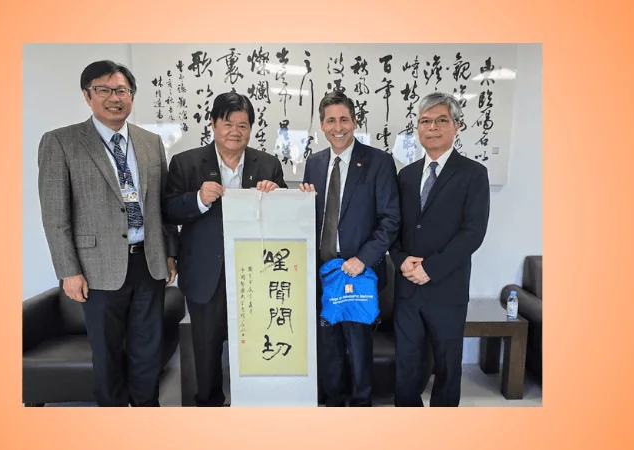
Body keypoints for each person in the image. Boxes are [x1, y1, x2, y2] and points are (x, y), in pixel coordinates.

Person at [37, 60, 178, 407]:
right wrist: (68, 271)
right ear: (88, 96)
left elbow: (160, 204)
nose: (114, 98)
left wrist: (170, 250)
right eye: (104, 90)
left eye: (121, 90)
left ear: (131, 96)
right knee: (107, 353)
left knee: (149, 350)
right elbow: (55, 215)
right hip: (95, 268)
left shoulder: (150, 142)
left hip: (149, 262)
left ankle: (146, 414)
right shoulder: (62, 142)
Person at [164, 92, 287, 407]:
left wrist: (275, 196)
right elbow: (167, 211)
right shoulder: (186, 162)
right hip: (206, 272)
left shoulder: (268, 164)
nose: (235, 131)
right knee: (206, 346)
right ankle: (209, 404)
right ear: (213, 124)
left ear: (251, 129)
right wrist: (198, 199)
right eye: (227, 123)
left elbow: (286, 215)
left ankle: (255, 402)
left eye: (242, 125)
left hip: (256, 272)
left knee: (257, 339)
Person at [299, 91, 400, 407]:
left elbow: (390, 219)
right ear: (321, 124)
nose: (338, 127)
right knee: (327, 346)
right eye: (331, 120)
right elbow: (313, 217)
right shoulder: (314, 163)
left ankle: (360, 408)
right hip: (324, 272)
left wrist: (364, 259)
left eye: (344, 119)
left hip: (360, 273)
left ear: (355, 122)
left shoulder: (378, 161)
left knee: (358, 347)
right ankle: (332, 405)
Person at [390, 92, 490, 407]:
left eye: (441, 120)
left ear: (456, 125)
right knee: (406, 361)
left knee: (447, 364)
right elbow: (393, 225)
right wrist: (402, 260)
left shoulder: (473, 174)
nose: (432, 127)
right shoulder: (405, 175)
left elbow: (473, 233)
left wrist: (430, 269)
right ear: (417, 128)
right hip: (407, 287)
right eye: (425, 121)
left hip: (447, 287)